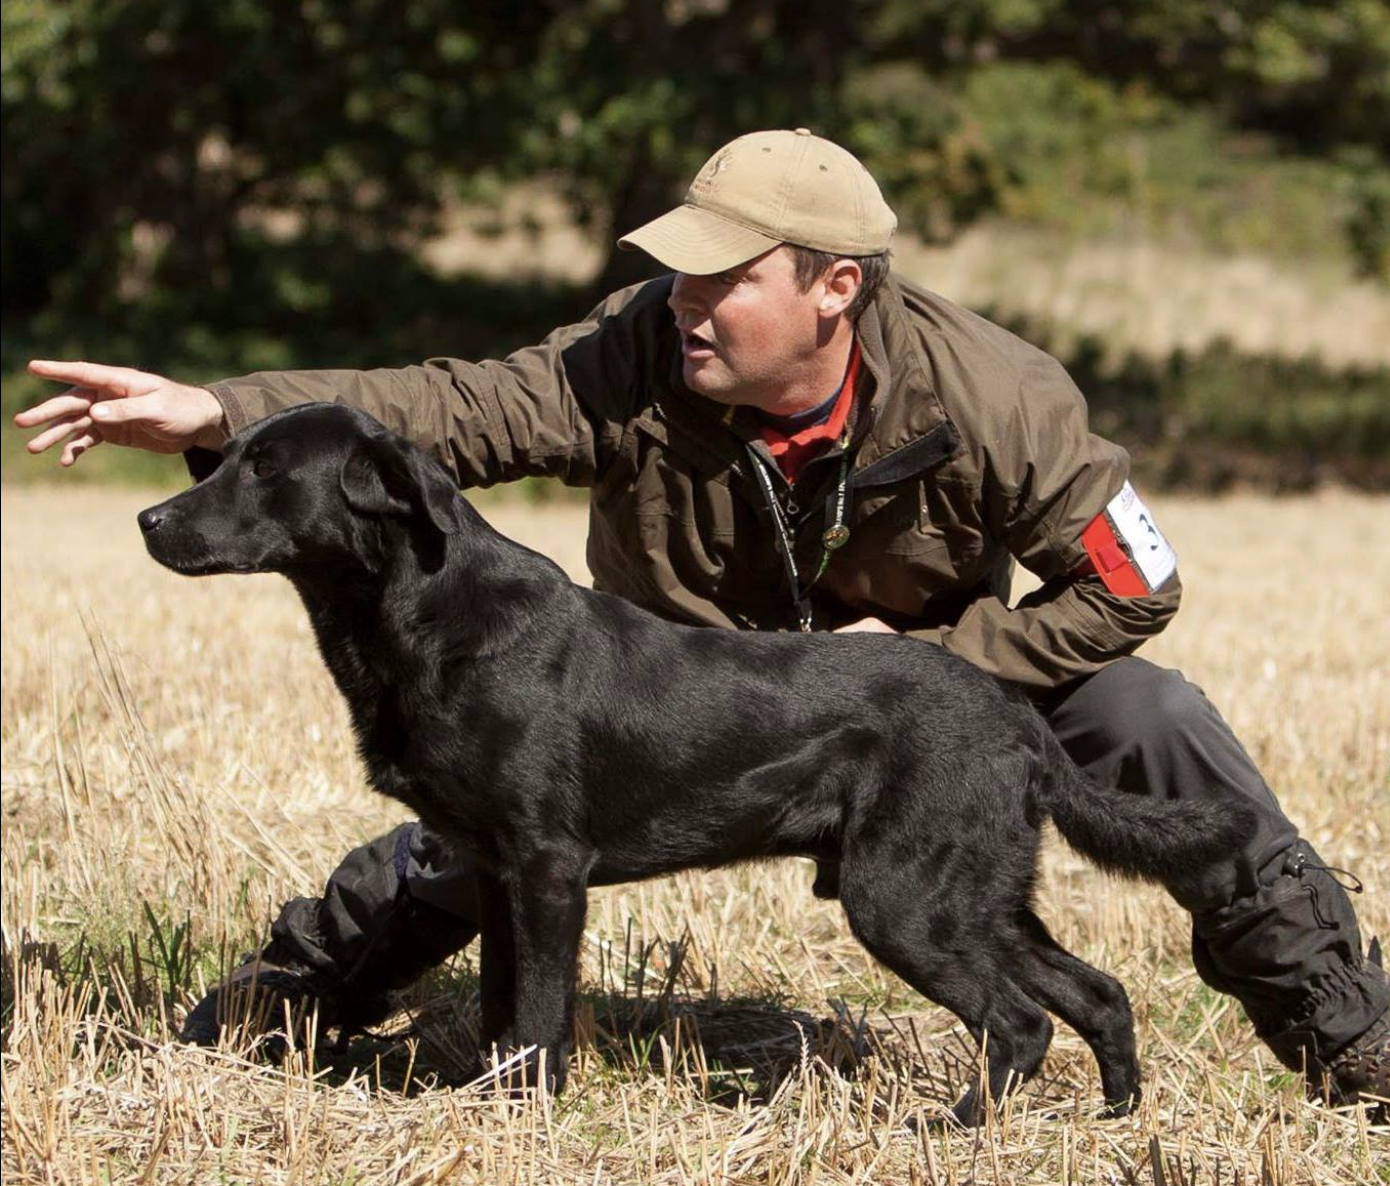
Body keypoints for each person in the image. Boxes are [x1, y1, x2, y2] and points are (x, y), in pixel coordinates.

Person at [18, 129, 1387, 1117]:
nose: (684, 301)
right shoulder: (636, 350)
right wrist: (220, 413)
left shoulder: (996, 395)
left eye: (722, 278)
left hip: (937, 703)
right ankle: (289, 1003)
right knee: (492, 816)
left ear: (833, 287)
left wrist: (939, 664)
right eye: (678, 271)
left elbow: (1130, 583)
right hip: (686, 701)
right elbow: (450, 407)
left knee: (1150, 716)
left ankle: (1344, 1026)